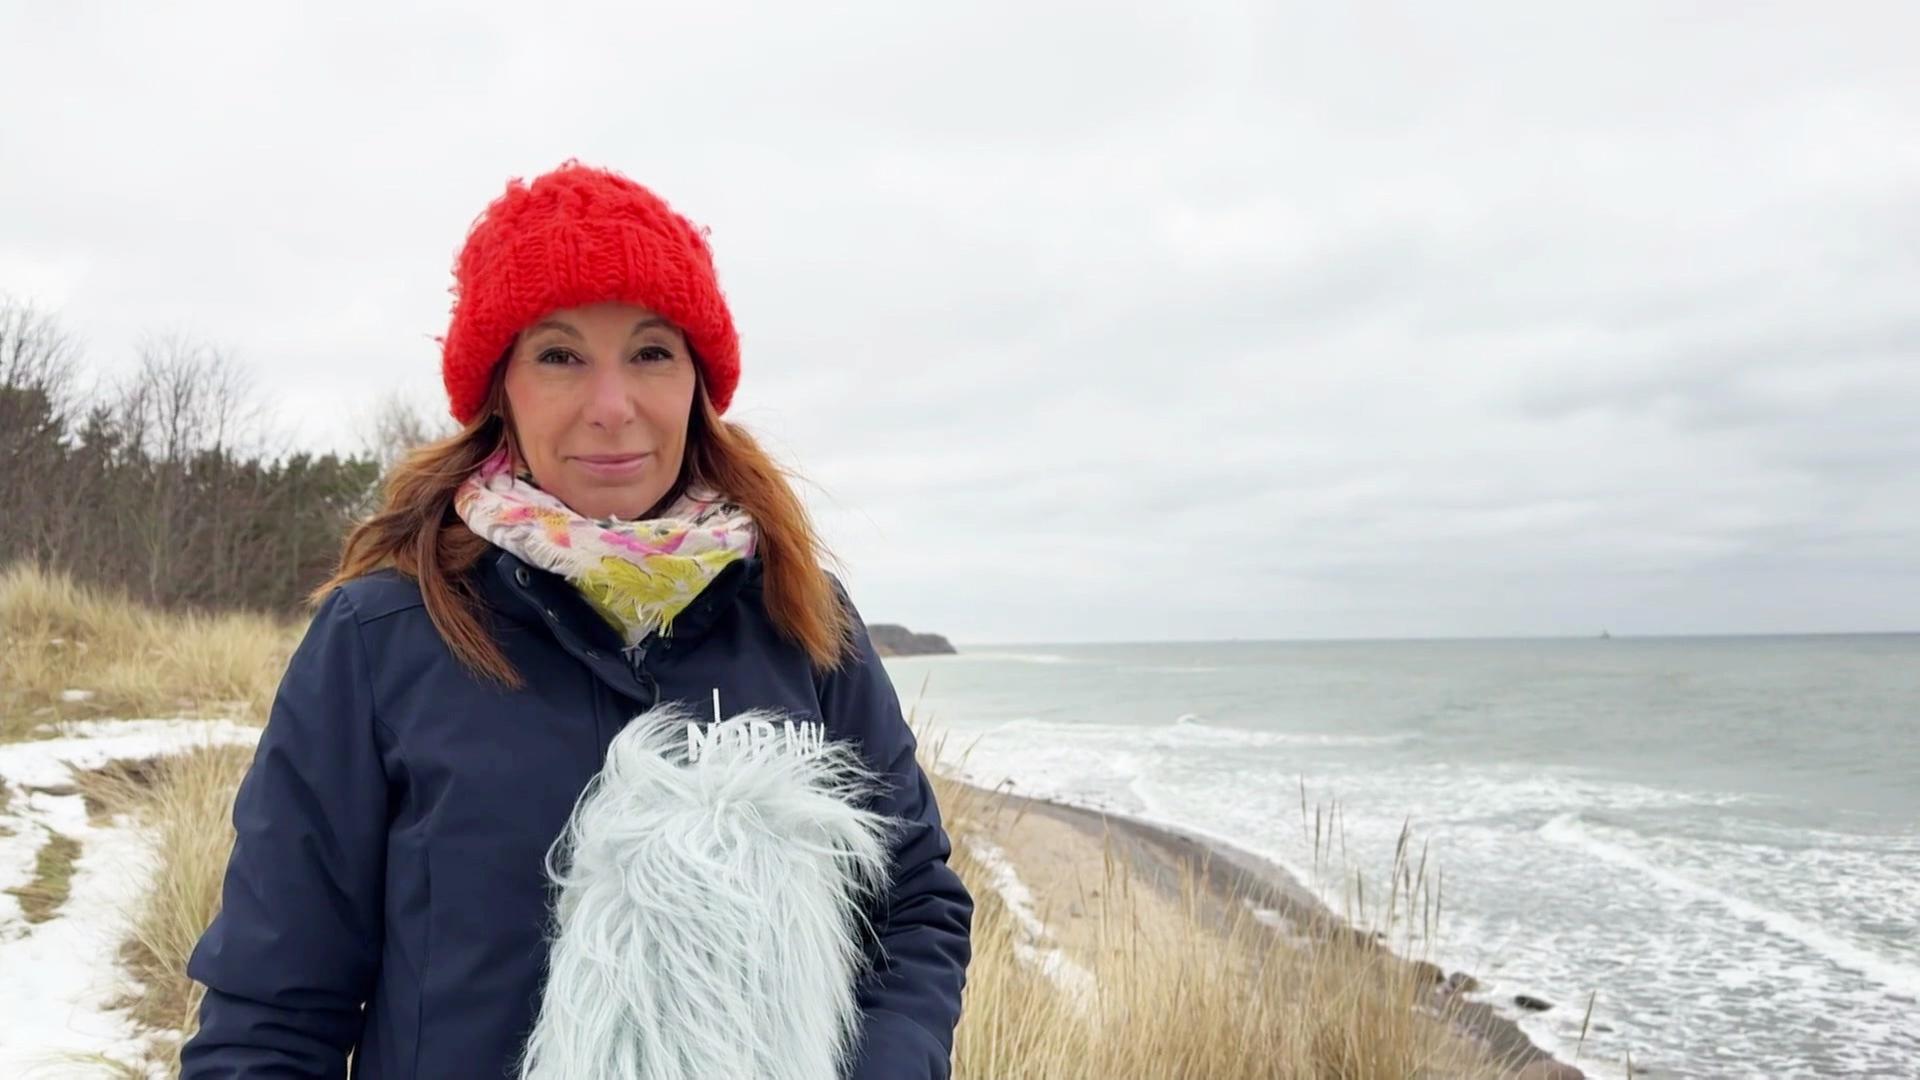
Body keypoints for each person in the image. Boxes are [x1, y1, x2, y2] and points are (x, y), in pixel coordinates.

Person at [181, 161, 974, 1079]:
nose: (612, 408)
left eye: (650, 353)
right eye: (559, 356)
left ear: (696, 384)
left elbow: (912, 905)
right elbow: (274, 1011)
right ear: (500, 389)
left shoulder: (804, 617)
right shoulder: (381, 638)